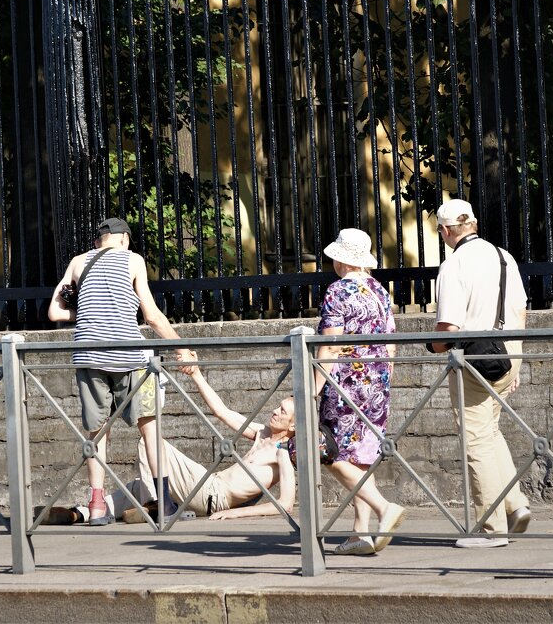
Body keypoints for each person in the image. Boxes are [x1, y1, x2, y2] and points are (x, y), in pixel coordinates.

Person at [48, 217, 193, 525]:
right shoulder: (133, 260)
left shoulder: (77, 262)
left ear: (99, 240)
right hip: (130, 358)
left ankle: (97, 506)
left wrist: (87, 309)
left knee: (97, 431)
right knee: (149, 428)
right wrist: (181, 347)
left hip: (89, 355)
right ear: (124, 239)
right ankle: (165, 502)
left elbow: (54, 311)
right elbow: (151, 316)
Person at [427, 198, 533, 548]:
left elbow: (449, 327)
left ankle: (491, 529)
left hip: (475, 360)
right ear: (473, 223)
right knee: (490, 432)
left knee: (475, 440)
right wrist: (515, 359)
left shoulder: (454, 265)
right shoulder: (504, 256)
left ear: (445, 231)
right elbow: (519, 309)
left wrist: (433, 347)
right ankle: (515, 504)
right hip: (508, 352)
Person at [313, 228, 407, 556]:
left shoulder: (337, 292)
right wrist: (384, 381)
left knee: (327, 452)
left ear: (340, 259)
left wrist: (310, 389)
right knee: (361, 459)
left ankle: (384, 508)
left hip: (344, 387)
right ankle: (360, 534)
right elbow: (391, 343)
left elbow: (330, 347)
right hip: (377, 385)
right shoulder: (380, 291)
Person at [115, 365, 297, 522]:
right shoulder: (262, 432)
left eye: (282, 411)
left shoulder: (282, 453)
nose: (274, 411)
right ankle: (90, 511)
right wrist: (196, 374)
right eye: (277, 407)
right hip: (208, 484)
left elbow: (285, 504)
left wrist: (236, 513)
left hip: (213, 495)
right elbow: (222, 412)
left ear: (294, 425)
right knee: (137, 487)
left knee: (150, 441)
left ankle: (158, 506)